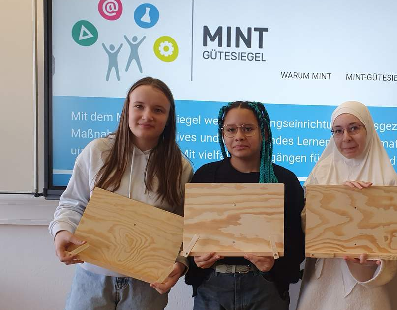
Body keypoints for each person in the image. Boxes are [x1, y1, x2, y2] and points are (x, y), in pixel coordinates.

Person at [49, 77, 194, 310]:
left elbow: (186, 226)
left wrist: (180, 263)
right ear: (127, 109)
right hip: (92, 277)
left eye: (158, 110)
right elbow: (73, 204)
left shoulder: (180, 167)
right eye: (139, 106)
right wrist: (62, 232)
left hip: (147, 284)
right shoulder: (97, 151)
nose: (147, 115)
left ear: (169, 118)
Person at [185, 101, 305, 310]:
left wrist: (274, 265)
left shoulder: (285, 180)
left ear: (264, 132)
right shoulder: (205, 176)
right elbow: (188, 235)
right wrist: (196, 260)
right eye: (231, 130)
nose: (239, 136)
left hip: (266, 288)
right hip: (212, 286)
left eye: (248, 129)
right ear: (223, 134)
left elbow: (298, 243)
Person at [296, 101, 397, 310]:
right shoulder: (321, 173)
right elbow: (306, 225)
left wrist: (374, 259)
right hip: (323, 284)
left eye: (354, 128)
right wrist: (337, 200)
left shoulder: (388, 179)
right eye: (338, 131)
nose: (346, 137)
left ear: (368, 129)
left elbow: (395, 241)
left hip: (367, 286)